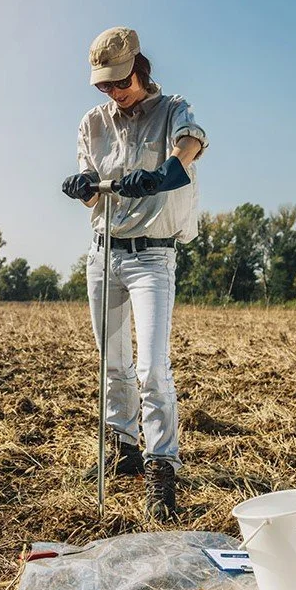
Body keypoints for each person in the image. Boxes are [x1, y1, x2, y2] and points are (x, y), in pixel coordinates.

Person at [62, 26, 208, 521]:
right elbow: (93, 193)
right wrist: (82, 186)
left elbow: (188, 147)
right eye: (104, 86)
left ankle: (161, 465)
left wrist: (164, 172)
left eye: (119, 83)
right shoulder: (92, 123)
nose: (113, 93)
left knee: (151, 367)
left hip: (151, 257)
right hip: (104, 254)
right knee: (113, 363)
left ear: (139, 70)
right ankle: (122, 448)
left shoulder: (173, 110)